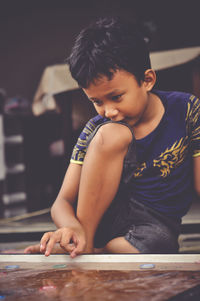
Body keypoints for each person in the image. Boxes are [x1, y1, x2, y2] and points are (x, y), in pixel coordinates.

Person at [25, 17, 200, 258]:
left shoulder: (187, 110)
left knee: (155, 246)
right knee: (110, 133)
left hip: (152, 229)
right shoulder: (98, 128)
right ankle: (84, 245)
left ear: (147, 80)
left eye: (116, 97)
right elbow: (62, 202)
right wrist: (74, 229)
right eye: (96, 101)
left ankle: (90, 252)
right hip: (99, 222)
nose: (108, 111)